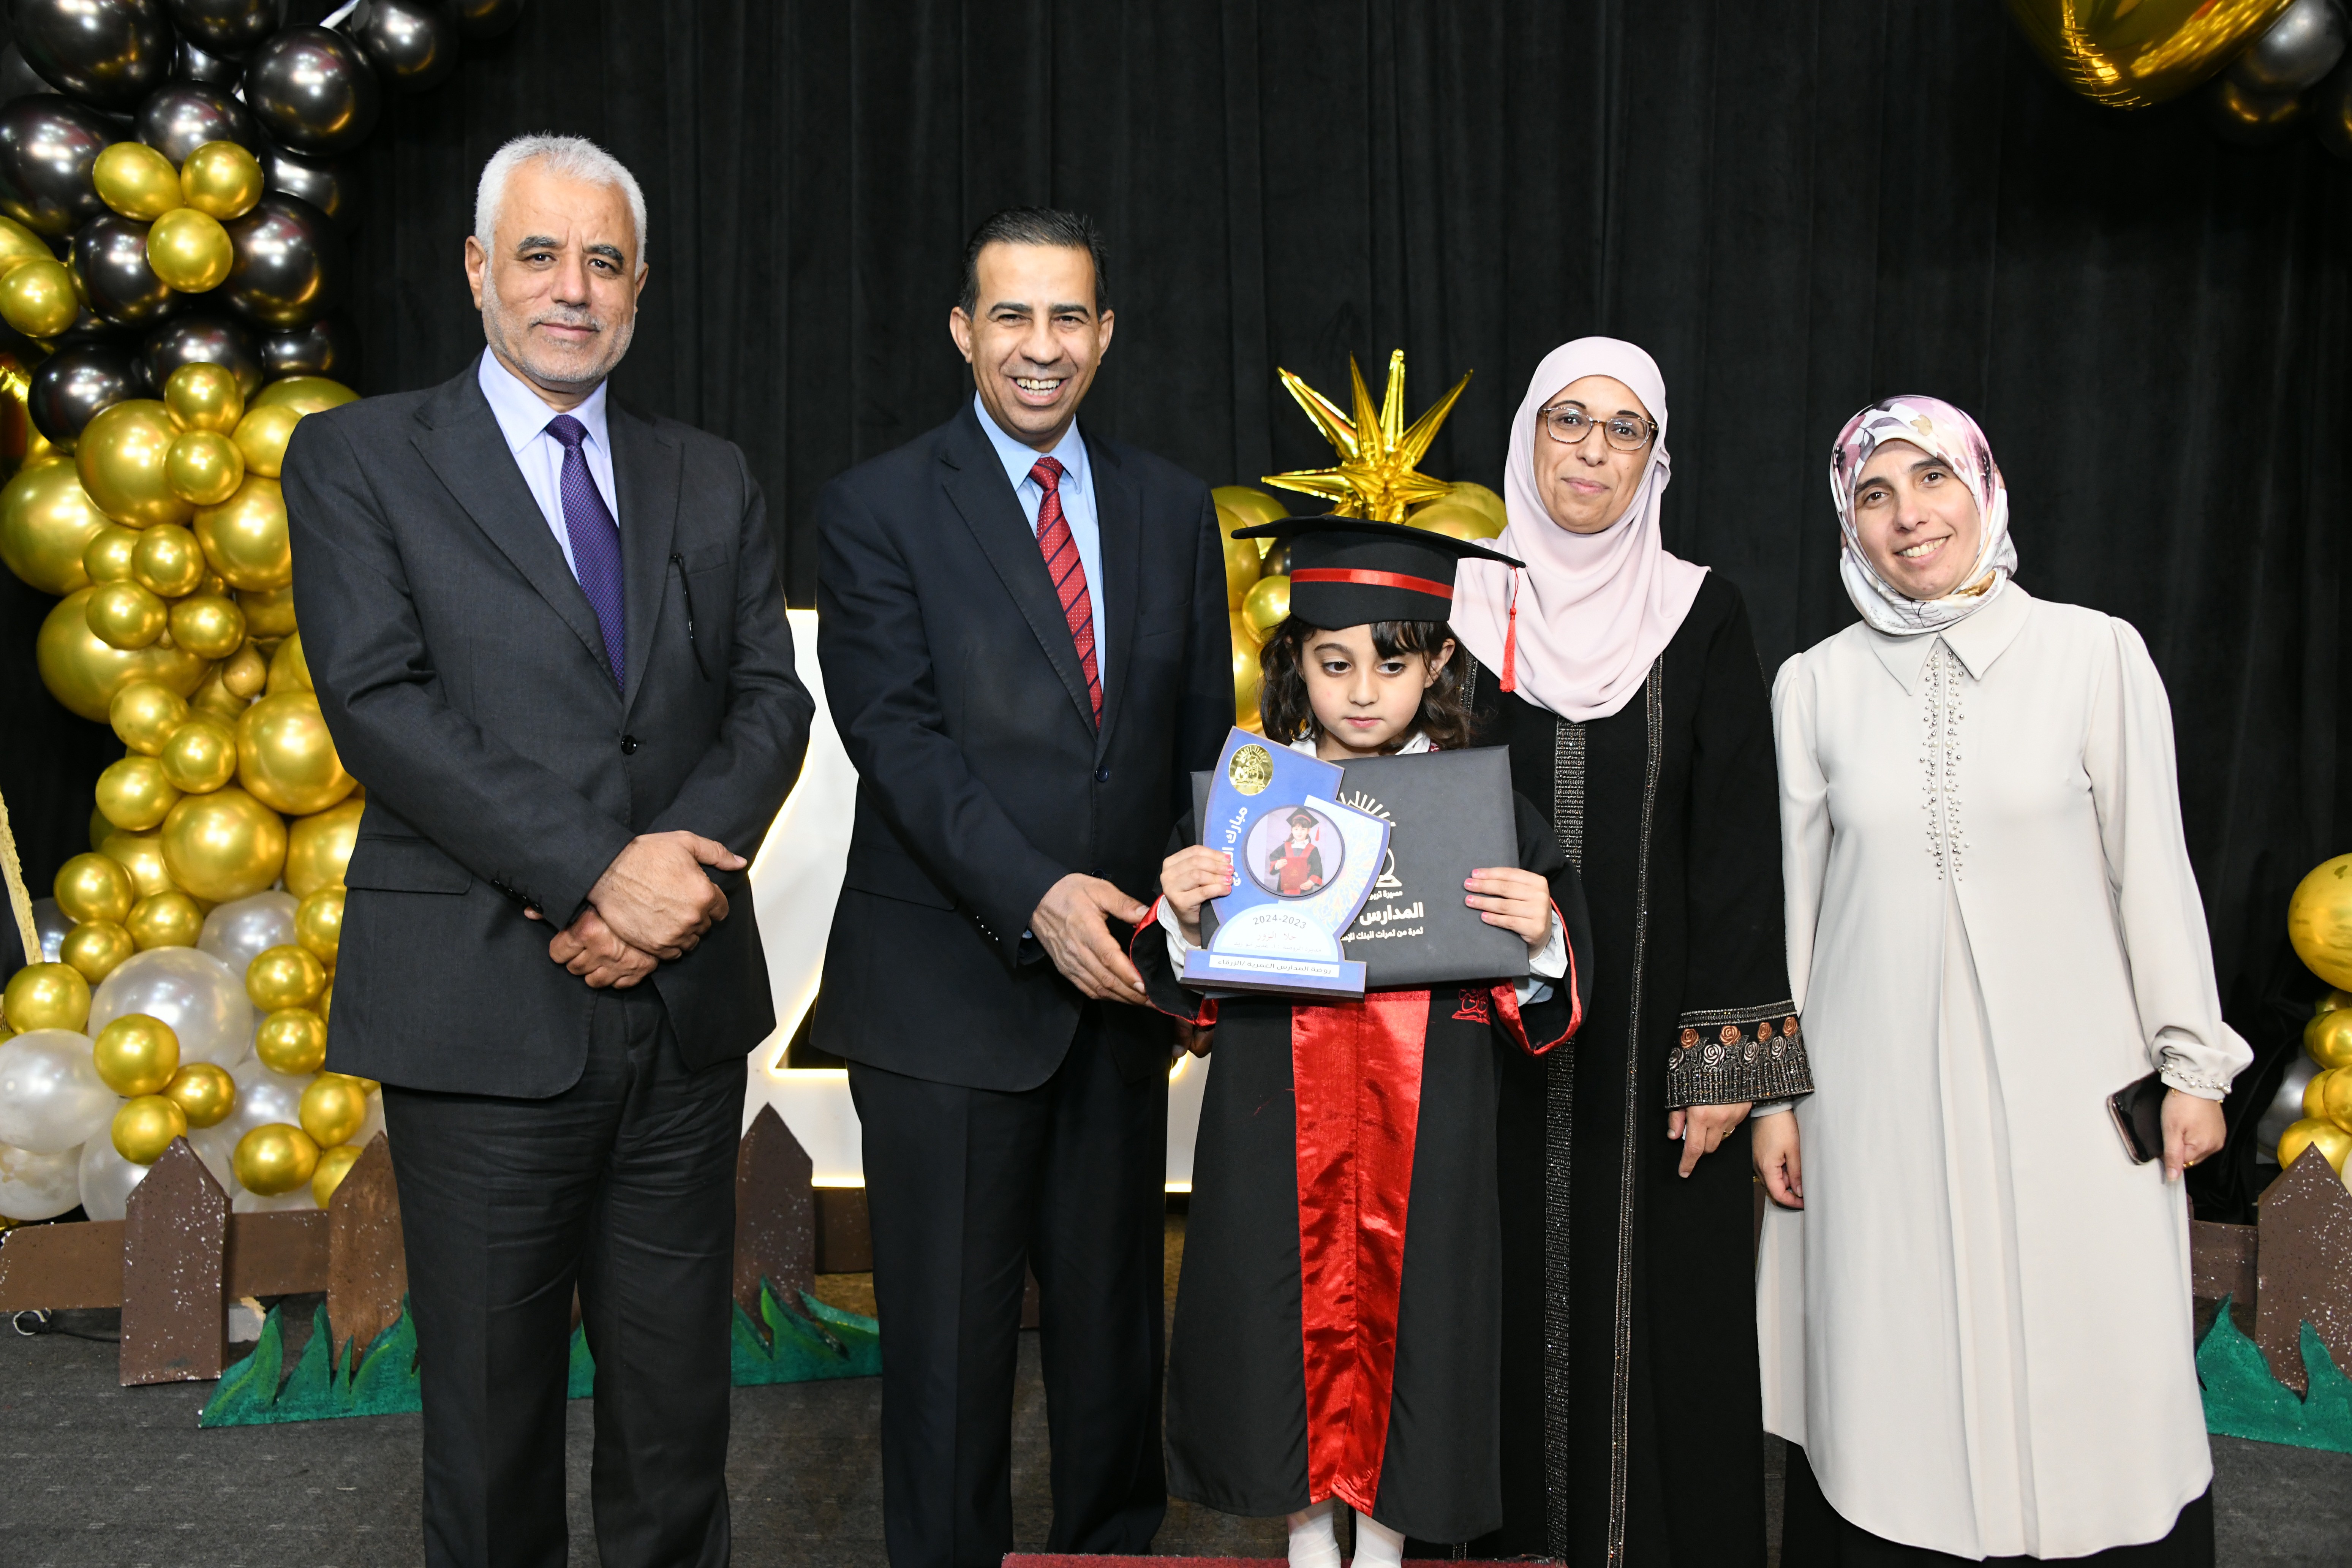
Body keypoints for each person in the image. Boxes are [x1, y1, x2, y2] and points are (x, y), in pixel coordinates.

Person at [284, 135, 811, 1567]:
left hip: (682, 1017)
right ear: (478, 271)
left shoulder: (709, 474)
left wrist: (669, 885)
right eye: (538, 254)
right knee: (490, 1426)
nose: (571, 289)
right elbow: (380, 704)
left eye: (603, 262)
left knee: (677, 1425)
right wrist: (599, 874)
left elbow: (771, 701)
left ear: (639, 287)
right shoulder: (359, 459)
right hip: (478, 1014)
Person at [1757, 395, 2249, 1564]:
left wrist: (2193, 1063)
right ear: (1847, 525)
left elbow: (2152, 871)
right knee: (1895, 1362)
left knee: (2092, 1344)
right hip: (1874, 1095)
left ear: (1984, 488)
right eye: (1874, 495)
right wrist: (1778, 1097)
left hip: (2075, 1086)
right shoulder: (1813, 686)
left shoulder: (2094, 654)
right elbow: (1794, 911)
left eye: (1933, 479)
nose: (1908, 515)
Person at [812, 207, 1230, 1567]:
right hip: (945, 996)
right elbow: (897, 740)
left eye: (1066, 318)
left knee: (1115, 1348)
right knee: (948, 1364)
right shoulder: (877, 507)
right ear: (962, 330)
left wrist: (1194, 917)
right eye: (1010, 316)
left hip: (1119, 997)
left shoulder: (1172, 507)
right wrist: (1041, 895)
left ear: (1105, 335)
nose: (1038, 347)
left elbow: (1203, 745)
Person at [1141, 518, 1593, 1568]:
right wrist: (1185, 910)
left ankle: (1386, 1552)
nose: (1362, 692)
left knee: (1417, 1327)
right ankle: (1306, 1545)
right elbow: (1188, 993)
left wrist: (1539, 933)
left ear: (1437, 664)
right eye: (1334, 662)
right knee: (1276, 1325)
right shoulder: (1247, 805)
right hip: (1277, 1114)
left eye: (1393, 664)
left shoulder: (1484, 811)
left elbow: (1549, 993)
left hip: (1425, 1124)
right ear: (1294, 664)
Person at [1447, 336, 1807, 1564]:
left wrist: (1727, 1064)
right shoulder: (1461, 608)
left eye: (1624, 429)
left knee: (1663, 1330)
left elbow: (1739, 848)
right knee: (1483, 1305)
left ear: (1656, 458)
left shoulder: (1700, 613)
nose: (1592, 451)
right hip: (1482, 1048)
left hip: (1656, 1061)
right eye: (1568, 420)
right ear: (1528, 437)